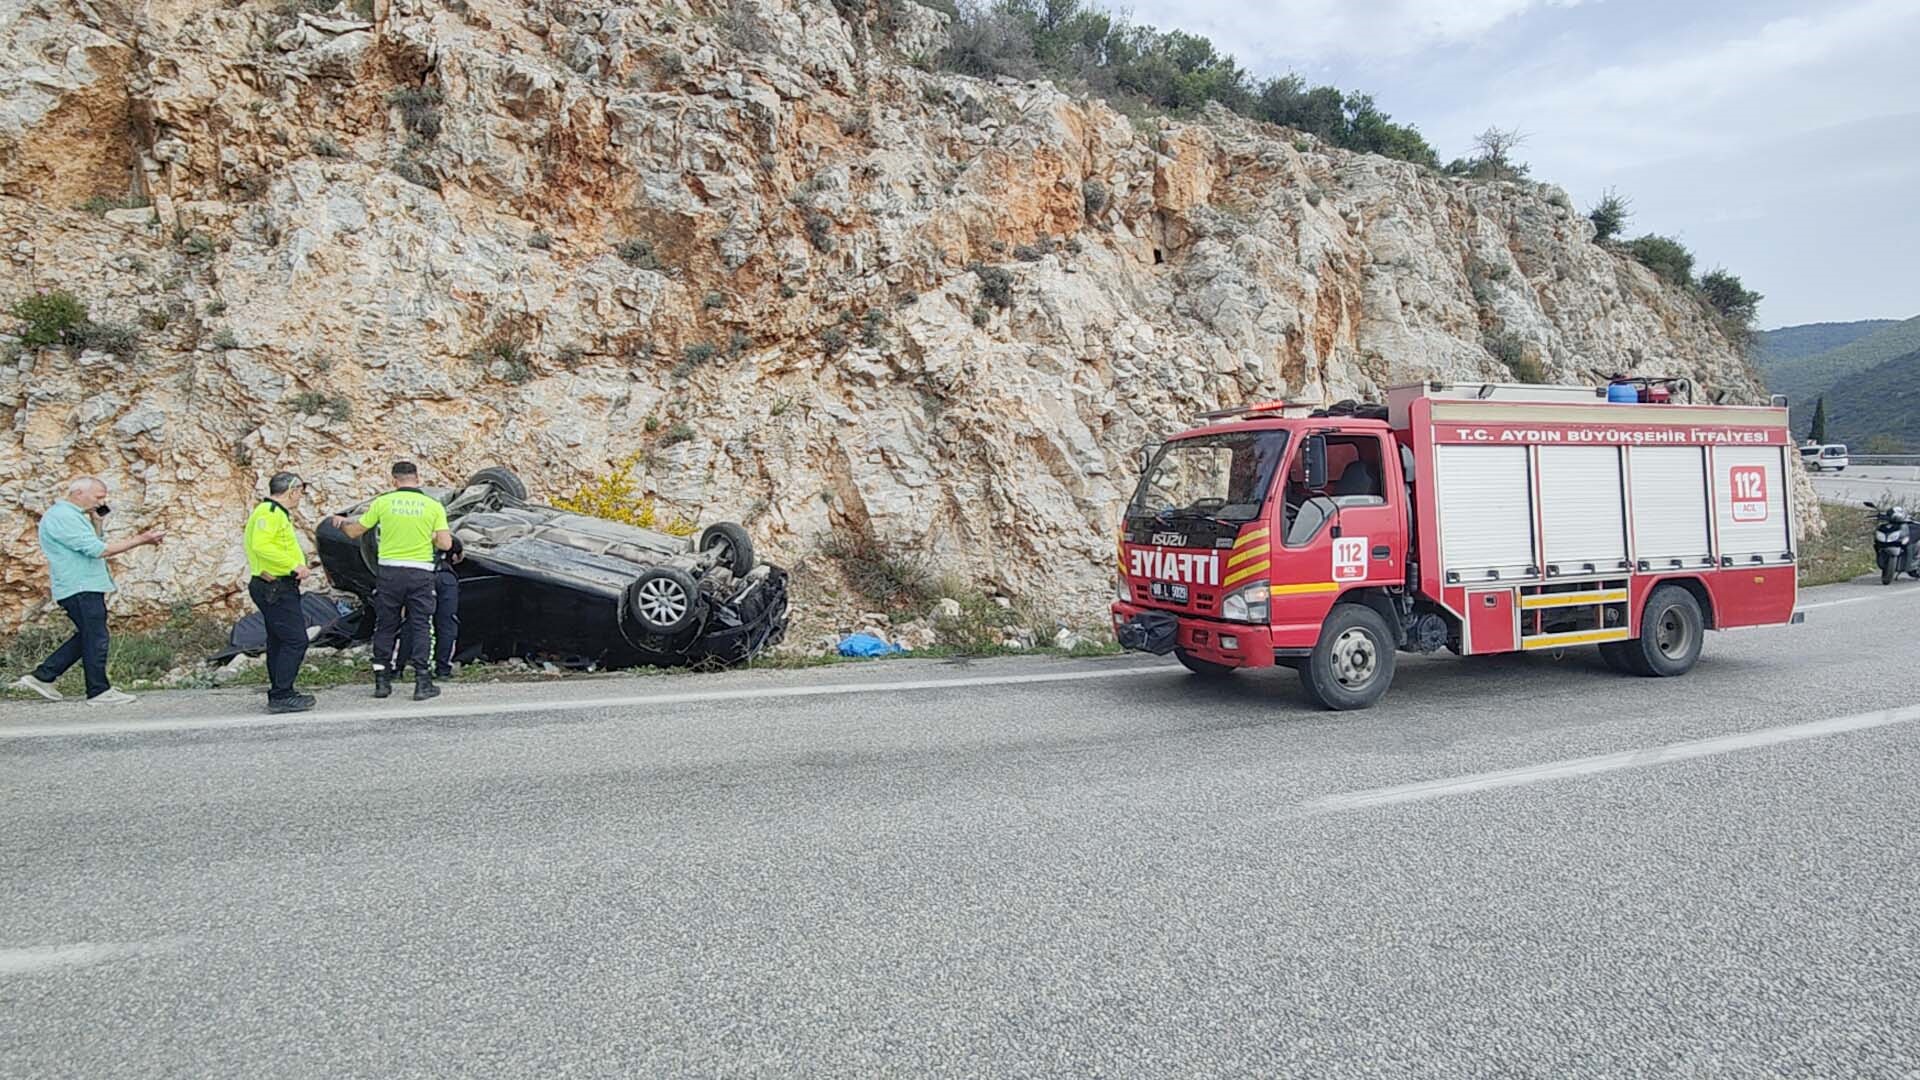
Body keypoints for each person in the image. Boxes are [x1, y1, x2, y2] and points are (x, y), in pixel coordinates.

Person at [11, 477, 164, 705]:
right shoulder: (63, 516)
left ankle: (43, 676)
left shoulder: (75, 516)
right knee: (97, 637)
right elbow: (97, 550)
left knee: (88, 635)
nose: (102, 501)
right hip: (80, 585)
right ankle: (98, 691)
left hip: (84, 584)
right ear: (79, 493)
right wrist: (142, 539)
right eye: (98, 496)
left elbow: (94, 541)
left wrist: (97, 522)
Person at [327, 461, 453, 701]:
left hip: (389, 573)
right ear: (417, 478)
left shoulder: (383, 502)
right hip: (420, 573)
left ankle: (382, 682)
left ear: (394, 480)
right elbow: (445, 544)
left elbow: (354, 532)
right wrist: (431, 537)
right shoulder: (432, 505)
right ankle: (422, 682)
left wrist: (341, 522)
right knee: (421, 625)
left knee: (385, 624)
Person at [244, 472, 317, 715]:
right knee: (296, 639)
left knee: (279, 640)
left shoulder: (274, 513)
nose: (300, 497)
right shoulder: (270, 513)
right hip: (275, 587)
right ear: (292, 490)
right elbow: (261, 546)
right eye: (300, 492)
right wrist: (293, 566)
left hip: (277, 585)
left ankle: (281, 689)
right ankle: (281, 694)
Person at [395, 534, 463, 681]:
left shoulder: (417, 539)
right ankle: (443, 669)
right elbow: (459, 557)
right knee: (447, 624)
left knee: (413, 622)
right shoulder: (451, 540)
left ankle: (398, 667)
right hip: (446, 579)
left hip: (422, 578)